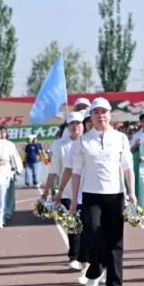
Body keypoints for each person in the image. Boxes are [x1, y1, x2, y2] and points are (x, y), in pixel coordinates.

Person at [68, 97, 138, 286]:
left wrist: (132, 192)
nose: (101, 116)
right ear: (90, 116)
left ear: (110, 114)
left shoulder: (120, 138)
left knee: (115, 240)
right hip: (91, 196)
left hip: (115, 195)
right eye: (96, 112)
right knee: (93, 235)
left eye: (104, 112)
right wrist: (74, 199)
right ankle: (95, 270)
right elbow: (76, 172)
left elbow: (128, 167)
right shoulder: (83, 141)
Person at [44, 112, 85, 268]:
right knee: (73, 224)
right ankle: (74, 257)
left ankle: (87, 257)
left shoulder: (89, 142)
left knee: (88, 226)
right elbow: (54, 170)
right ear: (67, 127)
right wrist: (48, 191)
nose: (75, 126)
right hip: (68, 192)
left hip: (89, 190)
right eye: (71, 124)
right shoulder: (61, 146)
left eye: (78, 123)